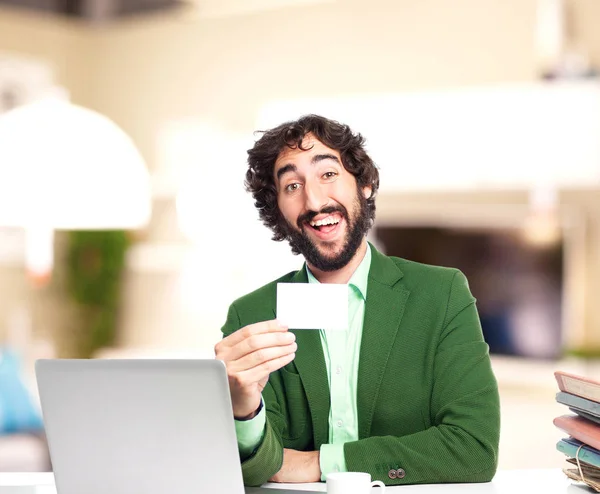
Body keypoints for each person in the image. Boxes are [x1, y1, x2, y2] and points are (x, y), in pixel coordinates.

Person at [214, 115, 500, 487]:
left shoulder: (442, 294)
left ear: (364, 185)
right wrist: (242, 406)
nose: (314, 200)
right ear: (278, 213)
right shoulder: (251, 316)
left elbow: (473, 450)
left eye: (328, 174)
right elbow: (256, 467)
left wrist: (324, 462)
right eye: (292, 185)